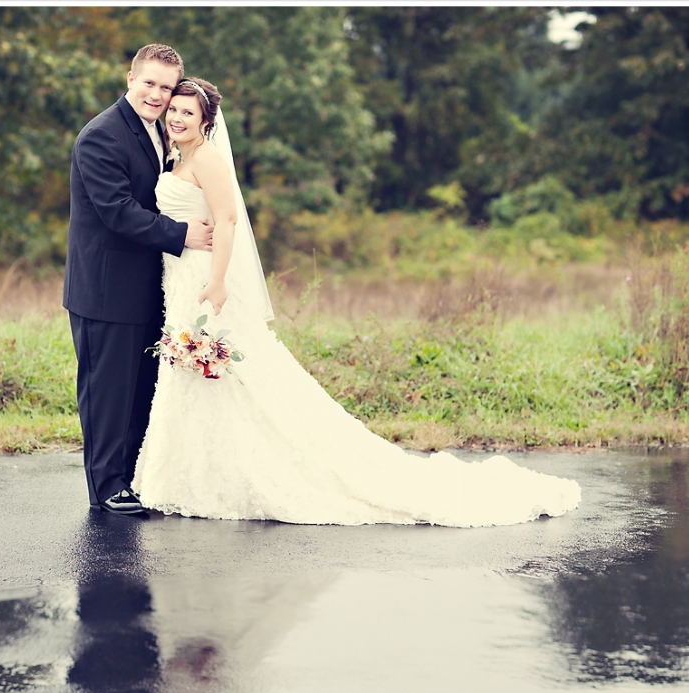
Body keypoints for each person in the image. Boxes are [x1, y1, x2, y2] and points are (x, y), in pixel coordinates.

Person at [134, 79, 581, 527]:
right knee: (203, 376)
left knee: (226, 372)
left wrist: (217, 281)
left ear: (206, 121)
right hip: (180, 276)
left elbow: (228, 220)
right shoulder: (178, 157)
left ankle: (233, 475)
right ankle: (195, 474)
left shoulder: (208, 159)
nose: (177, 118)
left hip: (203, 278)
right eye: (174, 110)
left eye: (188, 112)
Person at [63, 45, 214, 514]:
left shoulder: (157, 131)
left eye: (166, 87)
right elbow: (118, 212)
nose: (157, 94)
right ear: (130, 79)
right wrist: (182, 234)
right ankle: (106, 488)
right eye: (149, 83)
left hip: (148, 289)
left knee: (140, 393)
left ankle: (129, 477)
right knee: (107, 395)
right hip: (106, 291)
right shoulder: (101, 136)